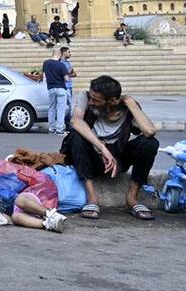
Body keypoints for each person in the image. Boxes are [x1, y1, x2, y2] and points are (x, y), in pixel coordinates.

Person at [63, 75, 159, 221]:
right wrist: (102, 148)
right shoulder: (85, 97)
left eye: (96, 100)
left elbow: (149, 131)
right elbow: (76, 121)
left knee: (150, 143)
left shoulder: (127, 109)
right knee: (75, 135)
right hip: (90, 157)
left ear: (112, 101)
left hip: (117, 160)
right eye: (91, 97)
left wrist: (130, 102)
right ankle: (92, 198)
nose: (91, 102)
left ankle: (132, 199)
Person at [42, 46, 72, 135]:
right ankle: (60, 129)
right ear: (59, 54)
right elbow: (66, 79)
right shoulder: (61, 65)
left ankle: (51, 128)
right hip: (61, 88)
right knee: (60, 109)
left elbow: (44, 75)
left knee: (51, 108)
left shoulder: (46, 63)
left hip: (51, 88)